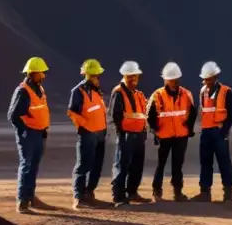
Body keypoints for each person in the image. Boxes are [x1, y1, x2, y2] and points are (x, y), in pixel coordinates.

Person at [7, 57, 54, 214]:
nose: (44, 76)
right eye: (41, 72)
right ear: (33, 73)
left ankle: (30, 197)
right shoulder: (23, 91)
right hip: (28, 135)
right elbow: (13, 115)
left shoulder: (39, 89)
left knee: (33, 166)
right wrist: (24, 130)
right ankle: (22, 202)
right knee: (26, 165)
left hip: (39, 134)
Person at [147, 62, 196, 201]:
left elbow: (192, 114)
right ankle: (157, 191)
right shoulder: (157, 95)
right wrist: (155, 131)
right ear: (165, 80)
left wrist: (188, 129)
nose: (173, 82)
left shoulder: (186, 94)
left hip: (181, 135)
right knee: (160, 164)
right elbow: (150, 116)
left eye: (175, 79)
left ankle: (177, 192)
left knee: (177, 165)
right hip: (164, 135)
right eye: (171, 79)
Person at [109, 60, 151, 207]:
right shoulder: (118, 93)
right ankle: (119, 196)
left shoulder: (138, 94)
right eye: (130, 76)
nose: (133, 79)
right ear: (124, 76)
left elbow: (143, 114)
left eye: (135, 76)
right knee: (122, 165)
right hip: (126, 135)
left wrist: (144, 131)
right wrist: (121, 133)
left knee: (137, 166)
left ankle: (132, 192)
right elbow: (115, 115)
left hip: (139, 135)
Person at [193, 61, 232, 203]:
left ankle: (228, 192)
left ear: (215, 77)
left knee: (224, 162)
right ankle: (205, 192)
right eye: (205, 79)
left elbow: (231, 114)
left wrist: (224, 132)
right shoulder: (202, 92)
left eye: (209, 79)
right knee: (205, 162)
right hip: (206, 133)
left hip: (219, 132)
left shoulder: (226, 91)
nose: (207, 81)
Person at [68, 58, 109, 210]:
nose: (98, 78)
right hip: (87, 135)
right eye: (96, 75)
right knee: (83, 166)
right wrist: (86, 127)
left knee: (96, 166)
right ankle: (78, 198)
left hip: (100, 134)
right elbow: (72, 112)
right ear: (89, 76)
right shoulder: (78, 91)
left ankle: (89, 194)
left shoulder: (96, 91)